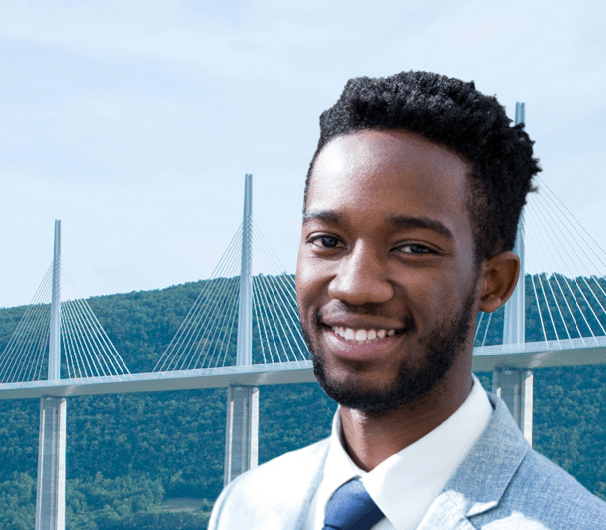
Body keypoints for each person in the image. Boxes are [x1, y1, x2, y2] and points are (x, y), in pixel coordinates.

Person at [208, 71, 606, 529]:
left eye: (413, 248)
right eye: (327, 240)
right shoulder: (244, 507)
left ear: (494, 282)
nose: (353, 286)